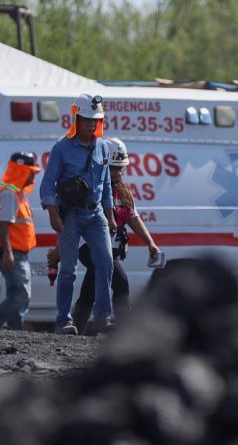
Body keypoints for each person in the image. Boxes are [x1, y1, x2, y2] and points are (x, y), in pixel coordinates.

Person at [40, 93, 117, 336]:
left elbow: (105, 185)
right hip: (70, 215)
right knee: (68, 269)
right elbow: (47, 185)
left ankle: (103, 316)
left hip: (96, 215)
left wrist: (111, 215)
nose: (92, 124)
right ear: (77, 119)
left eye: (96, 120)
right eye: (87, 120)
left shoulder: (103, 147)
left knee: (105, 262)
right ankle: (64, 320)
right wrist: (53, 214)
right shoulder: (62, 148)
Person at [70, 138, 159, 334]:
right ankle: (126, 330)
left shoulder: (123, 190)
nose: (117, 173)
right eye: (113, 168)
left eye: (120, 168)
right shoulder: (89, 186)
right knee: (121, 279)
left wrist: (150, 242)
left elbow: (133, 217)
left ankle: (75, 329)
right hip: (89, 245)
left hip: (112, 246)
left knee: (90, 288)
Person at [0, 152, 41, 330]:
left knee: (16, 295)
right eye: (31, 172)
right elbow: (2, 224)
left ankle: (16, 331)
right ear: (21, 171)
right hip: (12, 252)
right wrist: (7, 252)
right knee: (20, 295)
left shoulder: (16, 194)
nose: (33, 176)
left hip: (18, 252)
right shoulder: (9, 195)